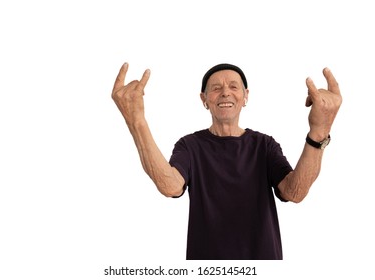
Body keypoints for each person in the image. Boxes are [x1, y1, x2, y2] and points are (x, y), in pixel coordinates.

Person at [111, 62, 342, 260]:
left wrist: (319, 131)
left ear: (245, 97)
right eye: (216, 88)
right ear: (204, 99)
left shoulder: (264, 145)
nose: (225, 92)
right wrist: (136, 121)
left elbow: (295, 192)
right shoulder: (190, 145)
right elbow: (170, 185)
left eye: (234, 87)